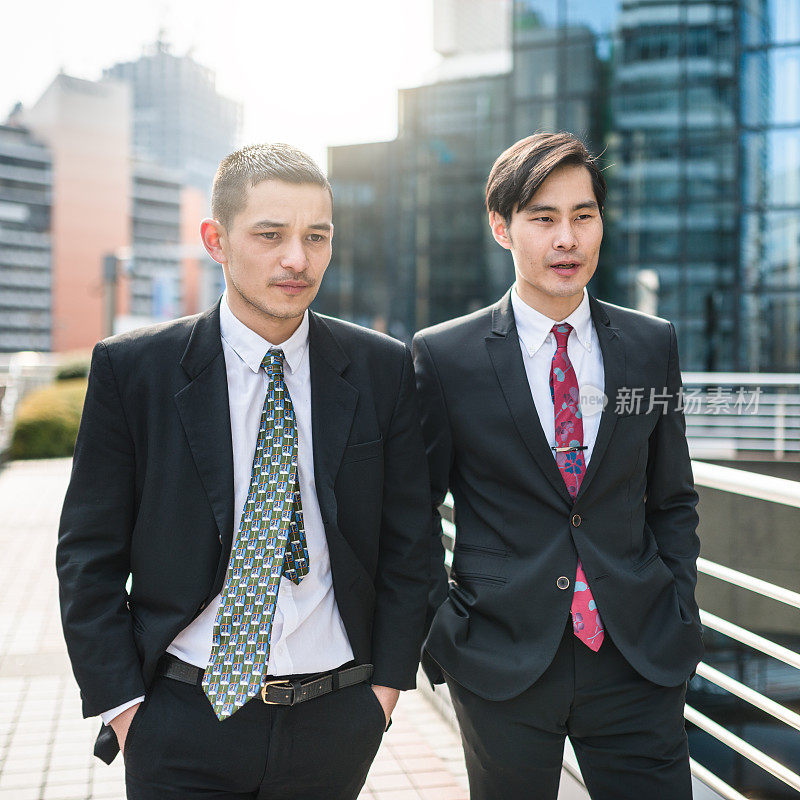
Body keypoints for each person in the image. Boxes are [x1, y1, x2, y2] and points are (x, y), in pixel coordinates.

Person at [57, 143, 430, 799]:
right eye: (271, 235)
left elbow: (411, 545)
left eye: (317, 237)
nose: (297, 258)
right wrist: (123, 708)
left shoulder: (382, 368)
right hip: (180, 719)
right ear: (217, 240)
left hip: (336, 718)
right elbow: (88, 551)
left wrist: (383, 695)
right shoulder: (134, 370)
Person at [413, 132, 703, 800]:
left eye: (583, 215)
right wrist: (446, 632)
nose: (566, 238)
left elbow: (672, 499)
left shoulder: (651, 344)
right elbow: (412, 512)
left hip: (637, 654)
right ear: (502, 228)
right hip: (502, 657)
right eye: (543, 218)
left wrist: (678, 610)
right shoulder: (444, 356)